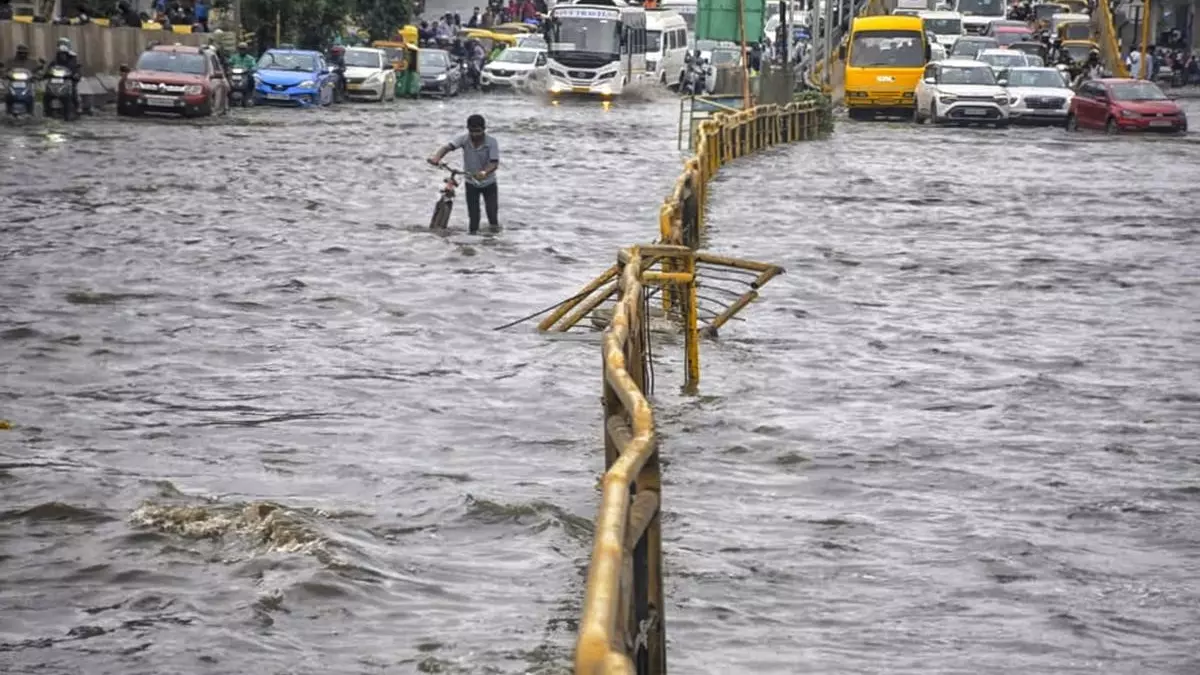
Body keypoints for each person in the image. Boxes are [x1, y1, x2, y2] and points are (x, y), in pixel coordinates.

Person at [426, 114, 500, 234]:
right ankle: (473, 241)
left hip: (489, 183)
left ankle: (493, 241)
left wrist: (484, 172)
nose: (475, 134)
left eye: (478, 131)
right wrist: (436, 158)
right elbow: (447, 147)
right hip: (471, 182)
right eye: (472, 131)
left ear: (484, 129)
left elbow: (494, 163)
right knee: (473, 217)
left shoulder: (491, 142)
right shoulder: (464, 139)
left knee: (492, 214)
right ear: (468, 129)